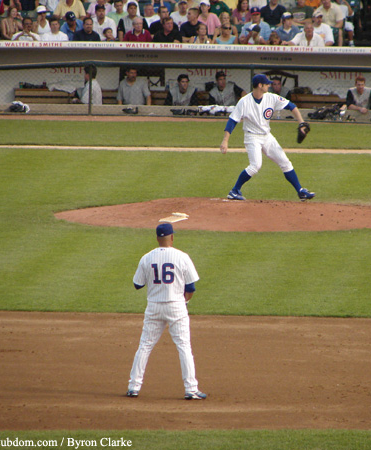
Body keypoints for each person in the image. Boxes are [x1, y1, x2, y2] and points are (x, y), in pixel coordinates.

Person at [127, 223, 206, 401]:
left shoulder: (147, 257)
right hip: (176, 306)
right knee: (184, 346)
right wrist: (185, 300)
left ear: (157, 238)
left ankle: (133, 387)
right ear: (172, 237)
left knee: (145, 346)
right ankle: (191, 389)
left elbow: (137, 284)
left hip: (154, 306)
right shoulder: (182, 257)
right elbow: (191, 287)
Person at [220, 73, 315, 202]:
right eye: (266, 84)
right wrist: (225, 140)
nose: (269, 85)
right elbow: (232, 121)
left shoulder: (271, 98)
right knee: (255, 166)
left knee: (285, 162)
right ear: (260, 85)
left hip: (267, 136)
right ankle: (234, 190)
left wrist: (301, 123)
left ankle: (300, 191)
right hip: (252, 137)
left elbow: (291, 106)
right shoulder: (244, 102)